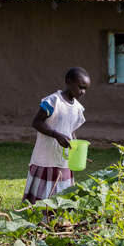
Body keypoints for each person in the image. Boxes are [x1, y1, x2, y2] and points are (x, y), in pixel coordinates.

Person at [22, 67, 91, 203]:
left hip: (64, 160)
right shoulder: (53, 101)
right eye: (80, 87)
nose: (83, 92)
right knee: (42, 197)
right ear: (68, 81)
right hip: (45, 157)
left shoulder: (77, 108)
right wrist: (57, 135)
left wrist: (76, 148)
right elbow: (36, 122)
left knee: (62, 195)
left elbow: (71, 130)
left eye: (85, 89)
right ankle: (41, 219)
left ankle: (58, 221)